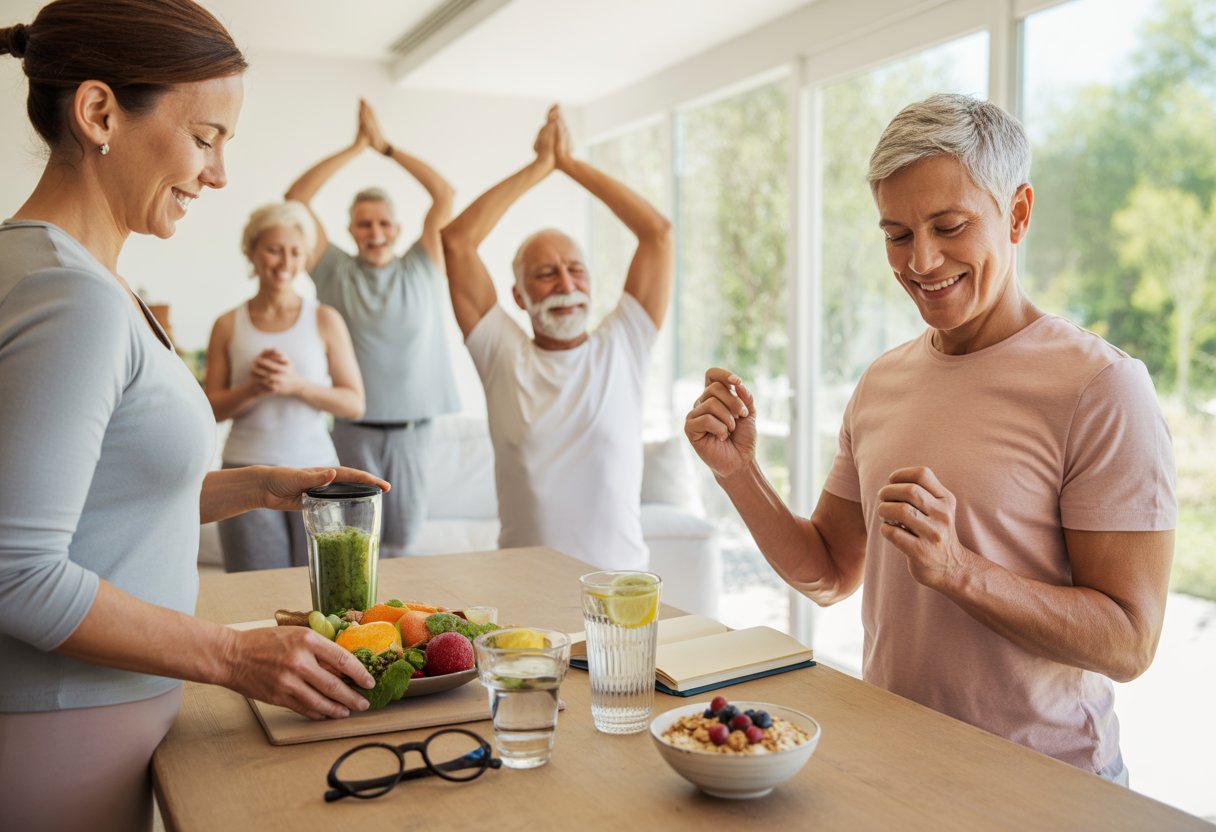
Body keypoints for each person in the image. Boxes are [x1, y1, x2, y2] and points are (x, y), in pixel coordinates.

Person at [684, 93, 1176, 783]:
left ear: (1019, 214)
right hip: (897, 771)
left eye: (949, 226)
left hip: (1047, 791)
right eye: (897, 233)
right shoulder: (881, 382)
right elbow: (828, 572)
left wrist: (961, 569)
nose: (921, 260)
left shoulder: (1101, 387)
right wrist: (739, 473)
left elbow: (1129, 641)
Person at [0, 3, 388, 829]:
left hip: (77, 720)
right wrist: (234, 653)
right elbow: (15, 571)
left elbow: (90, 496)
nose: (217, 175)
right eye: (206, 137)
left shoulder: (47, 268)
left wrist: (256, 484)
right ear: (100, 113)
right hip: (60, 731)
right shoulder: (72, 298)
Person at [441, 105, 674, 571]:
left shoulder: (625, 341)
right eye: (546, 274)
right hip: (526, 588)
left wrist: (570, 163)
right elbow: (457, 241)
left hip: (621, 590)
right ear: (520, 296)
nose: (566, 285)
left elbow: (658, 233)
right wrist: (539, 167)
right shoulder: (500, 352)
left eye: (576, 270)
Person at [285, 99, 459, 556]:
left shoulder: (423, 263)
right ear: (352, 229)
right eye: (365, 224)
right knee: (353, 537)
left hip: (414, 428)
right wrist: (354, 147)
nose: (375, 231)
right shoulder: (332, 269)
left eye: (383, 223)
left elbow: (445, 195)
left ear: (398, 229)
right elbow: (296, 200)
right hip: (353, 427)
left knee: (401, 540)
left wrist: (384, 148)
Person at [204, 201, 365, 571]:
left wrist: (296, 385)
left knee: (325, 585)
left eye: (295, 252)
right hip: (245, 471)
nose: (284, 262)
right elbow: (209, 409)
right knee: (254, 586)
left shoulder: (325, 319)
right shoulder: (228, 325)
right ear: (252, 251)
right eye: (274, 250)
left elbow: (354, 403)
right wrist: (253, 389)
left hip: (318, 474)